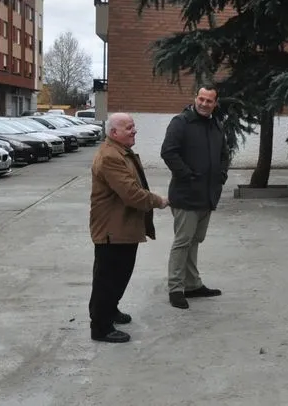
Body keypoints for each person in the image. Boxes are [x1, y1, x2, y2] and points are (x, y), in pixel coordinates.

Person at [88, 112, 169, 343]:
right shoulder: (110, 157)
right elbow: (131, 194)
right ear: (114, 133)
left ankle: (110, 310)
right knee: (107, 278)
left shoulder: (119, 150)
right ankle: (101, 327)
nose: (135, 131)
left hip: (122, 227)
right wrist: (158, 201)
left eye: (133, 126)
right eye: (129, 128)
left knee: (120, 274)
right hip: (112, 230)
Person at [160, 84, 230, 309]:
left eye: (209, 101)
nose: (204, 103)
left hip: (207, 195)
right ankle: (175, 288)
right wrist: (188, 176)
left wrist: (220, 176)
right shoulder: (181, 123)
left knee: (194, 241)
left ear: (215, 104)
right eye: (201, 98)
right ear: (195, 98)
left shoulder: (216, 125)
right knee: (182, 242)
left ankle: (192, 284)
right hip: (186, 195)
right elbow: (168, 152)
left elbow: (223, 154)